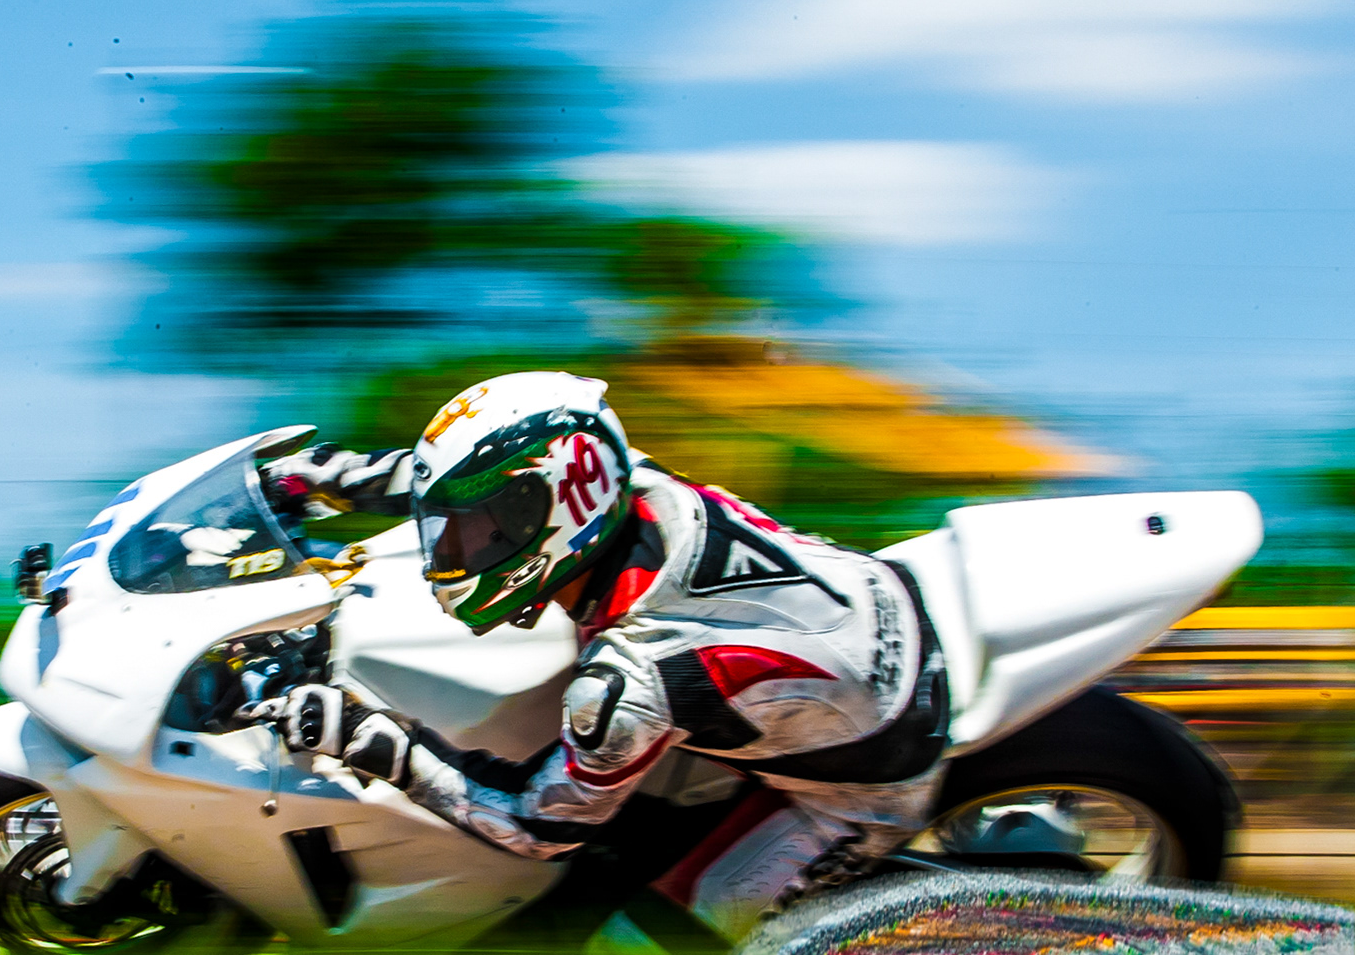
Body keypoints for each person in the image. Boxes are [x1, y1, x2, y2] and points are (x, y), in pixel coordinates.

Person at [246, 370, 949, 923]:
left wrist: (371, 741)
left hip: (868, 790)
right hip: (871, 622)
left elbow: (537, 825)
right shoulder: (624, 474)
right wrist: (318, 477)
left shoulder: (634, 677)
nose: (453, 550)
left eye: (484, 528)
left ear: (558, 508)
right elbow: (445, 478)